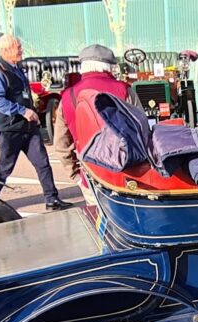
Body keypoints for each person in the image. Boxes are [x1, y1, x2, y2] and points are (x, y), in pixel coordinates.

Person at [0, 34, 72, 211]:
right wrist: (23, 111)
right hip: (10, 129)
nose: (21, 50)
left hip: (28, 127)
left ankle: (52, 199)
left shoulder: (18, 68)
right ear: (6, 50)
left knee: (42, 162)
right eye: (18, 47)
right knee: (5, 167)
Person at [53, 44, 141, 204]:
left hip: (91, 175)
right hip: (127, 174)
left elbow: (61, 144)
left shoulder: (68, 96)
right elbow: (141, 131)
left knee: (97, 216)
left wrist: (76, 176)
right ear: (109, 67)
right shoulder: (124, 90)